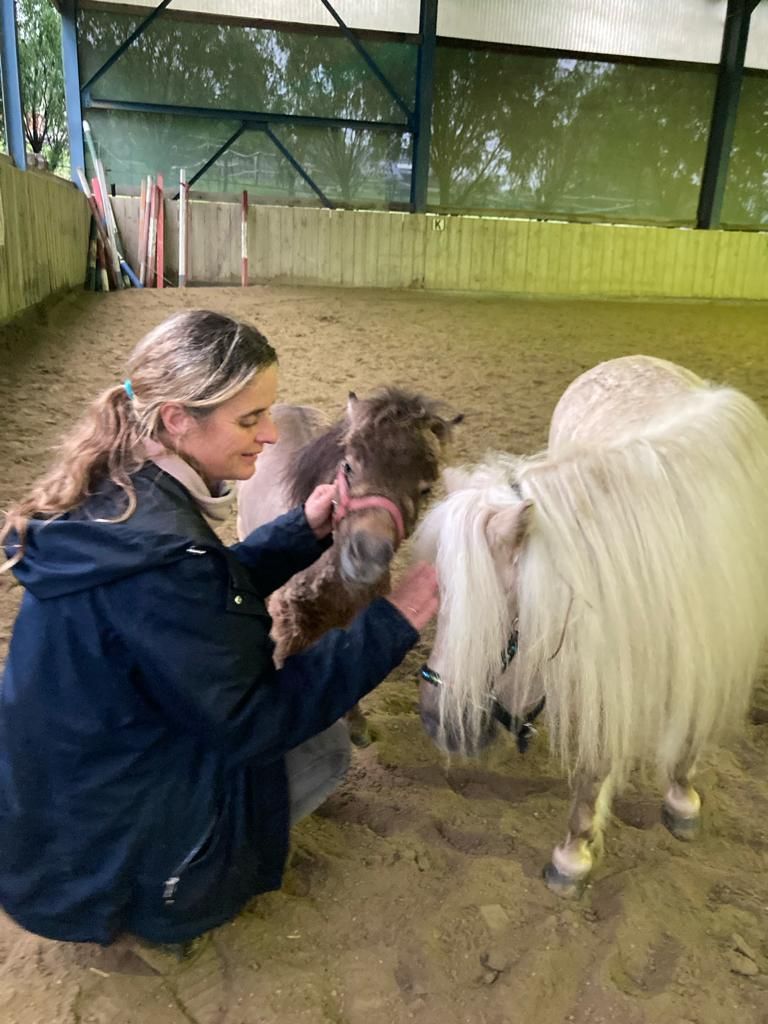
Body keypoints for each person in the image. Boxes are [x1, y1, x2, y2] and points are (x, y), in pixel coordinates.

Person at [0, 309, 438, 947]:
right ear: (178, 418)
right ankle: (169, 905)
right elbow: (254, 722)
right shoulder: (169, 559)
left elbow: (195, 601)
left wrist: (300, 532)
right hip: (96, 868)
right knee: (321, 744)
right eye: (249, 419)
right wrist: (395, 623)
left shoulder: (122, 492)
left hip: (61, 817)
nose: (269, 436)